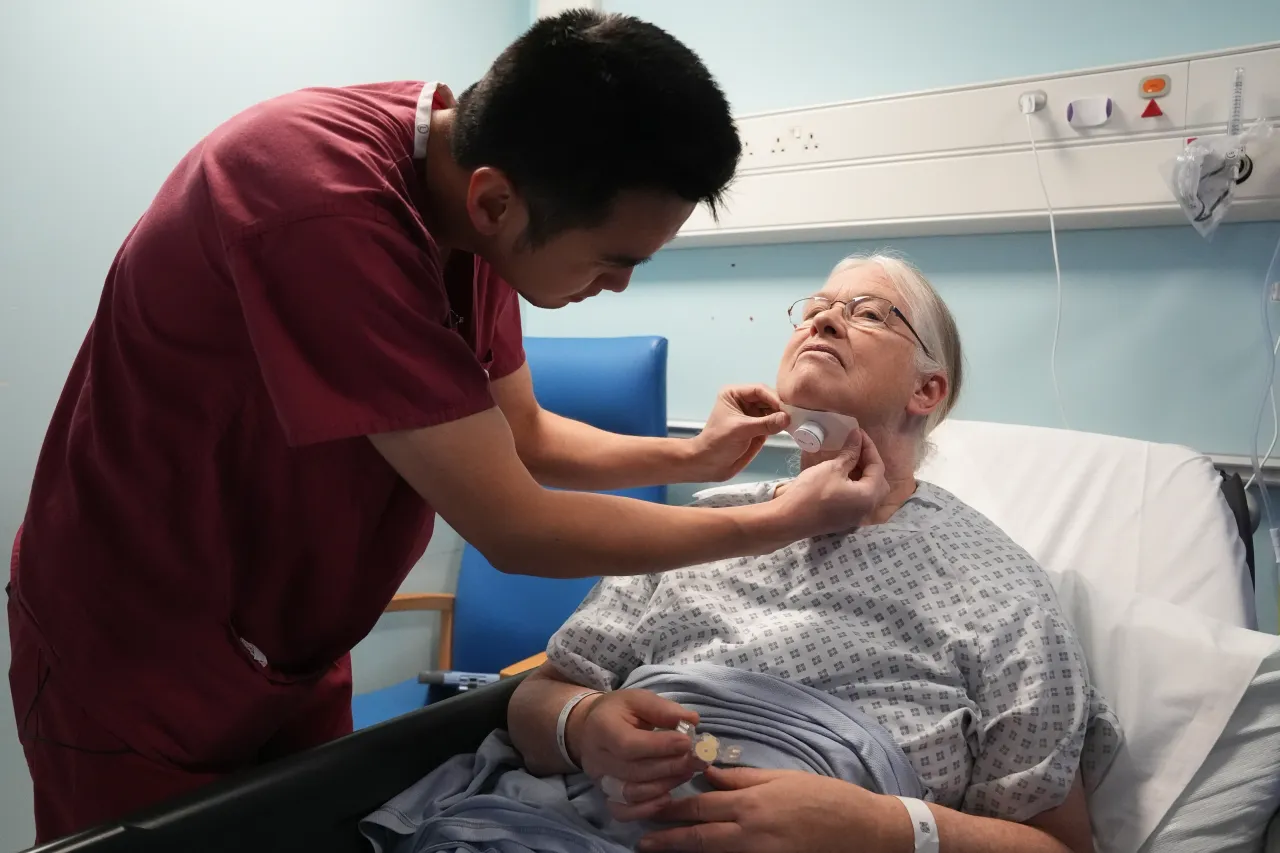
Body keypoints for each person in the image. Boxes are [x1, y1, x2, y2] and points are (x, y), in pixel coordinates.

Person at [5, 11, 890, 845]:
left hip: (291, 640)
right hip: (138, 644)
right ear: (495, 201)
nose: (620, 286)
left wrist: (688, 454)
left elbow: (526, 434)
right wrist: (778, 521)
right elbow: (517, 524)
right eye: (614, 260)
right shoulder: (312, 204)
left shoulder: (473, 202)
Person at [504, 254, 1122, 853]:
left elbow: (1057, 843)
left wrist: (886, 831)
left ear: (927, 390)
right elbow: (536, 699)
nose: (821, 321)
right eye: (816, 307)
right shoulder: (707, 525)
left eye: (871, 315)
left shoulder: (995, 584)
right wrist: (583, 727)